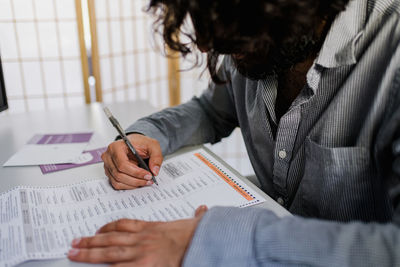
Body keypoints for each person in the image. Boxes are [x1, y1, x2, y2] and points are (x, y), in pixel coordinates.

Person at [68, 0, 400, 266]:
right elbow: (210, 111)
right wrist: (146, 132)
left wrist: (218, 239)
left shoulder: (392, 49)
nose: (204, 45)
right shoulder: (256, 36)